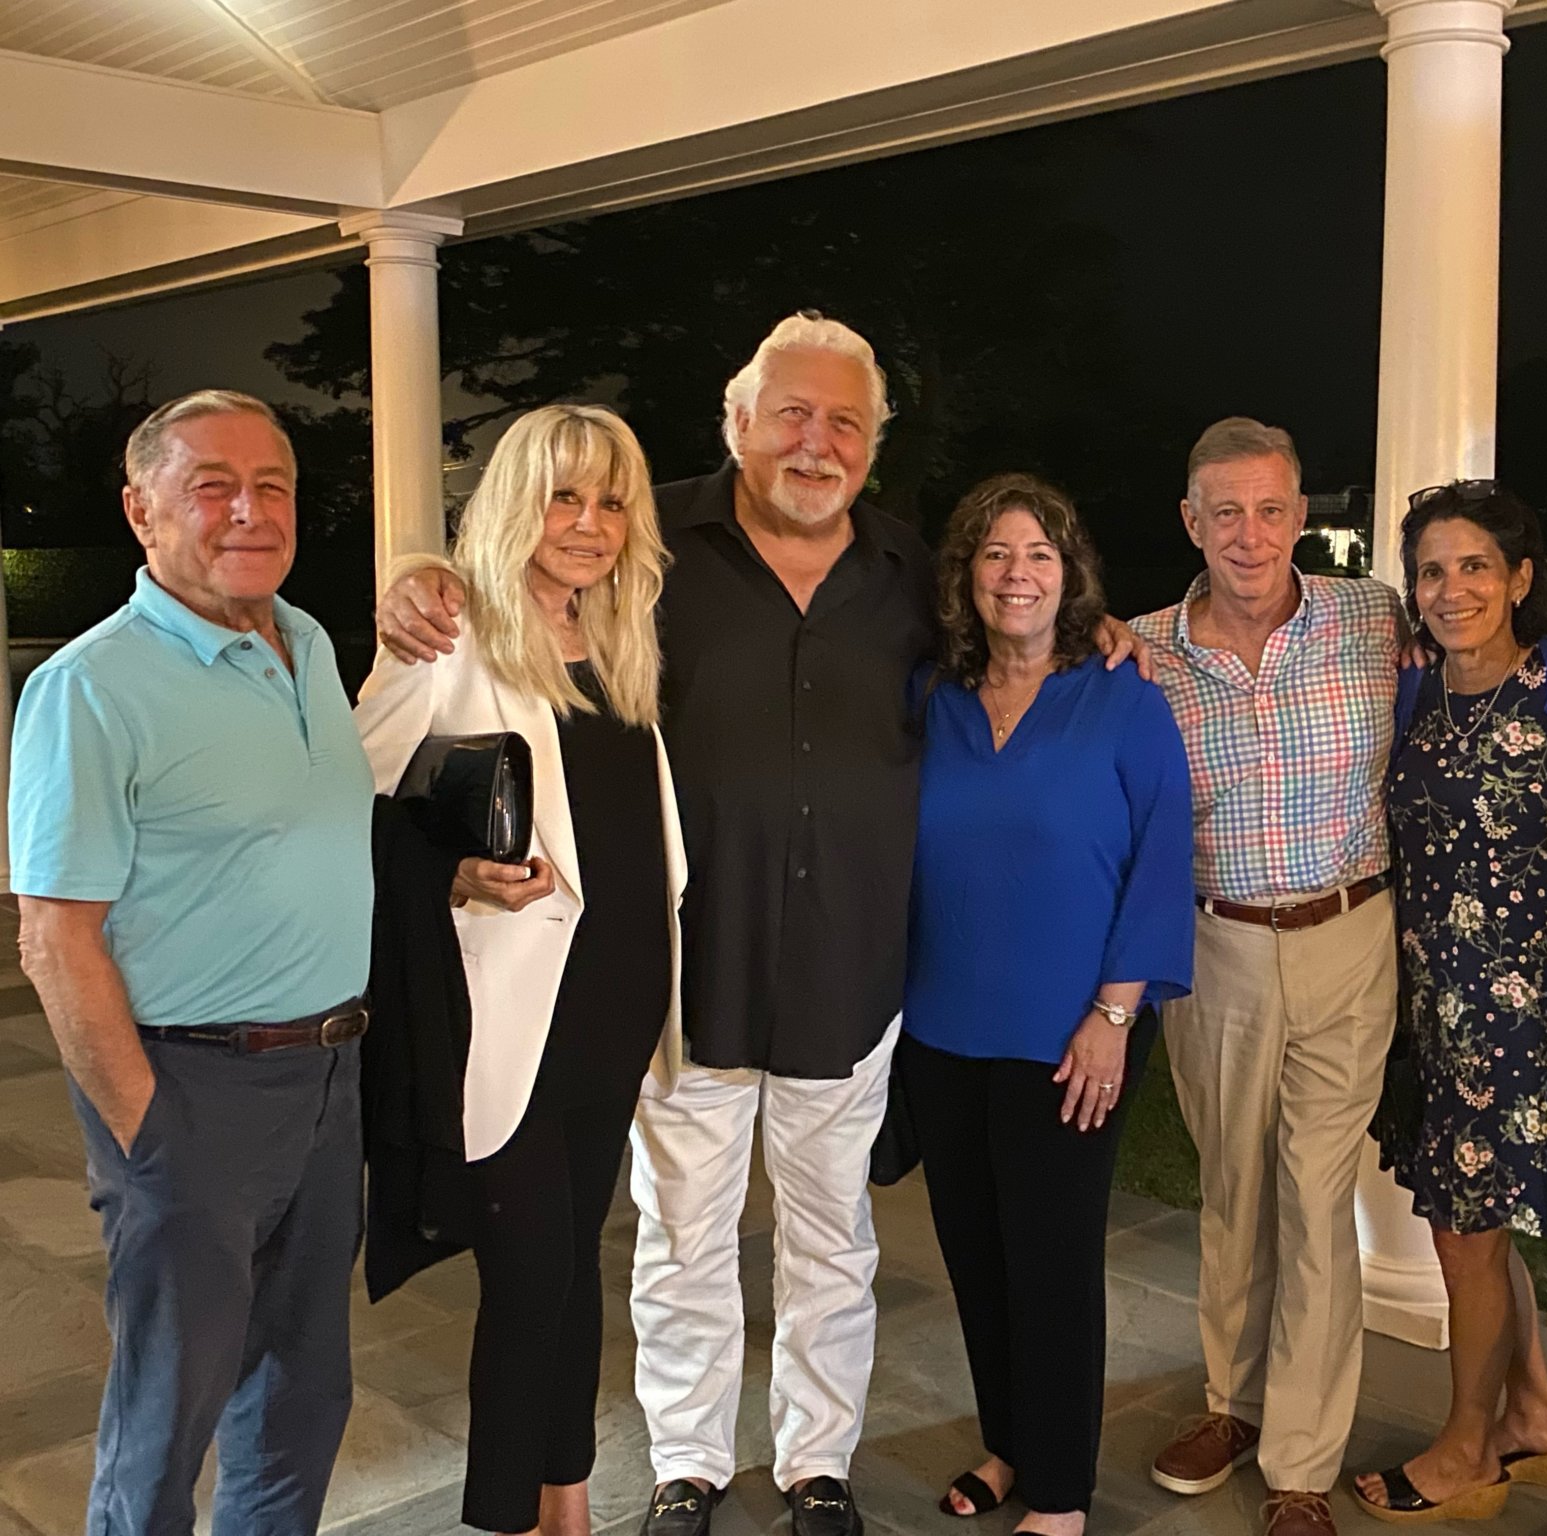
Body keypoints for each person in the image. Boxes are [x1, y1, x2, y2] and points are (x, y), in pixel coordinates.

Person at [371, 314, 1145, 1536]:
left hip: (852, 969)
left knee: (832, 1238)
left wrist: (1105, 634)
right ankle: (685, 1461)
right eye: (790, 412)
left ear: (874, 444)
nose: (815, 440)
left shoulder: (910, 577)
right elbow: (517, 567)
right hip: (686, 969)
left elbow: (1018, 627)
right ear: (737, 421)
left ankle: (815, 1464)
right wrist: (423, 576)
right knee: (683, 1236)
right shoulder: (639, 543)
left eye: (844, 420)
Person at [9, 391, 373, 1536]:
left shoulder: (307, 642)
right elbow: (53, 936)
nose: (249, 511)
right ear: (140, 510)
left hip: (327, 1081)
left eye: (273, 486)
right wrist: (148, 1130)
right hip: (192, 1091)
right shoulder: (89, 688)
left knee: (299, 1396)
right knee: (168, 1415)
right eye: (212, 484)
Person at [354, 406, 688, 1536]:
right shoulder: (448, 635)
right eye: (561, 496)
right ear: (513, 501)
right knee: (529, 1274)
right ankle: (507, 1517)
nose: (587, 524)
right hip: (511, 1017)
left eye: (608, 499)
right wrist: (448, 876)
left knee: (573, 1266)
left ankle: (569, 1506)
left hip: (618, 1008)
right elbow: (347, 803)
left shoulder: (623, 635)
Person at [900, 474, 1194, 1535]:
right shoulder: (931, 700)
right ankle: (1007, 1444)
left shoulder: (1123, 699)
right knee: (975, 1256)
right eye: (992, 553)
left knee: (1051, 1263)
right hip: (941, 1028)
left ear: (1068, 576)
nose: (1014, 573)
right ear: (964, 575)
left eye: (1036, 554)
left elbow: (1162, 861)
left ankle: (1060, 1493)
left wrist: (1114, 1017)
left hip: (1070, 1036)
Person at [1130, 418, 1404, 1536]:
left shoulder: (1373, 618)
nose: (1250, 534)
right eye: (1224, 512)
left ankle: (1298, 1461)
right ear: (1190, 523)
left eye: (1271, 509)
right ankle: (1229, 1404)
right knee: (1233, 1190)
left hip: (1348, 934)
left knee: (1311, 1198)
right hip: (1215, 945)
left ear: (1303, 517)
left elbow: (1505, 657)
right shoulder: (1138, 651)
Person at [1352, 483, 1547, 1523]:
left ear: (1519, 578)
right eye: (1429, 570)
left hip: (1523, 1021)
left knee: (1468, 1238)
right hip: (1430, 1012)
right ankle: (1534, 1415)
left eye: (1472, 567)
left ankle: (1466, 1450)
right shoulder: (1415, 693)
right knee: (1475, 1229)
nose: (1449, 590)